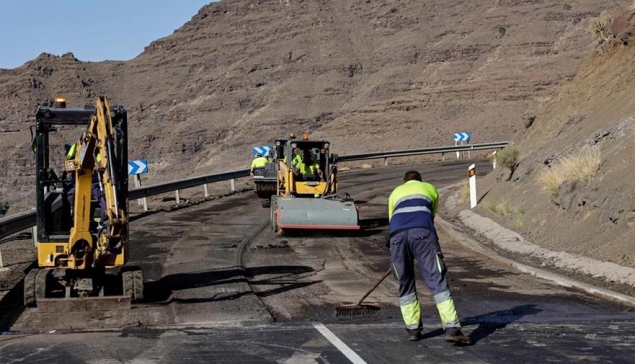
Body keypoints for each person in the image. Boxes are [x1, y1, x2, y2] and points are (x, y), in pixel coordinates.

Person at [387, 170, 471, 344]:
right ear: (420, 180)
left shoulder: (395, 192)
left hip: (397, 238)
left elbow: (392, 220)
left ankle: (412, 330)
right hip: (422, 234)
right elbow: (430, 217)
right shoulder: (430, 188)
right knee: (436, 278)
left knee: (405, 282)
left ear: (404, 182)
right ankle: (452, 328)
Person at [64, 142, 107, 224]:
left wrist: (98, 166)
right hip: (78, 182)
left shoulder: (97, 150)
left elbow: (100, 162)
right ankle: (72, 218)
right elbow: (68, 163)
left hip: (92, 183)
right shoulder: (77, 147)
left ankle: (104, 219)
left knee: (101, 197)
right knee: (70, 197)